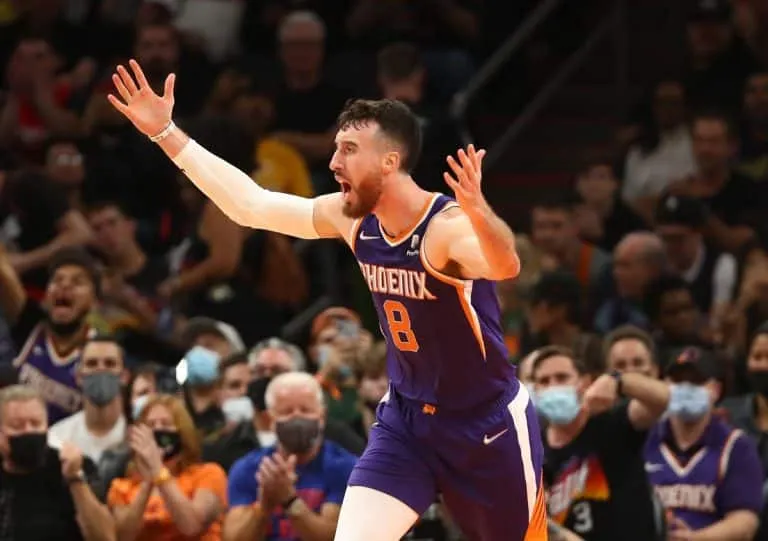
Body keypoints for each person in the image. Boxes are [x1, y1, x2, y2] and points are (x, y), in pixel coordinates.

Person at [108, 60, 544, 541]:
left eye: (349, 150)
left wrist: (481, 213)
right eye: (336, 148)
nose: (334, 162)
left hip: (485, 426)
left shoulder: (445, 229)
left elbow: (505, 266)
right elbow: (250, 206)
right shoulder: (352, 218)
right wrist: (166, 133)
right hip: (407, 422)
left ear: (389, 162)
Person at [223, 372, 357, 540]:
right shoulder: (249, 469)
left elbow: (335, 537)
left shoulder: (346, 467)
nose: (297, 417)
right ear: (271, 420)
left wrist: (290, 501)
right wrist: (263, 507)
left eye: (305, 410)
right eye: (287, 411)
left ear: (322, 417)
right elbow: (233, 538)